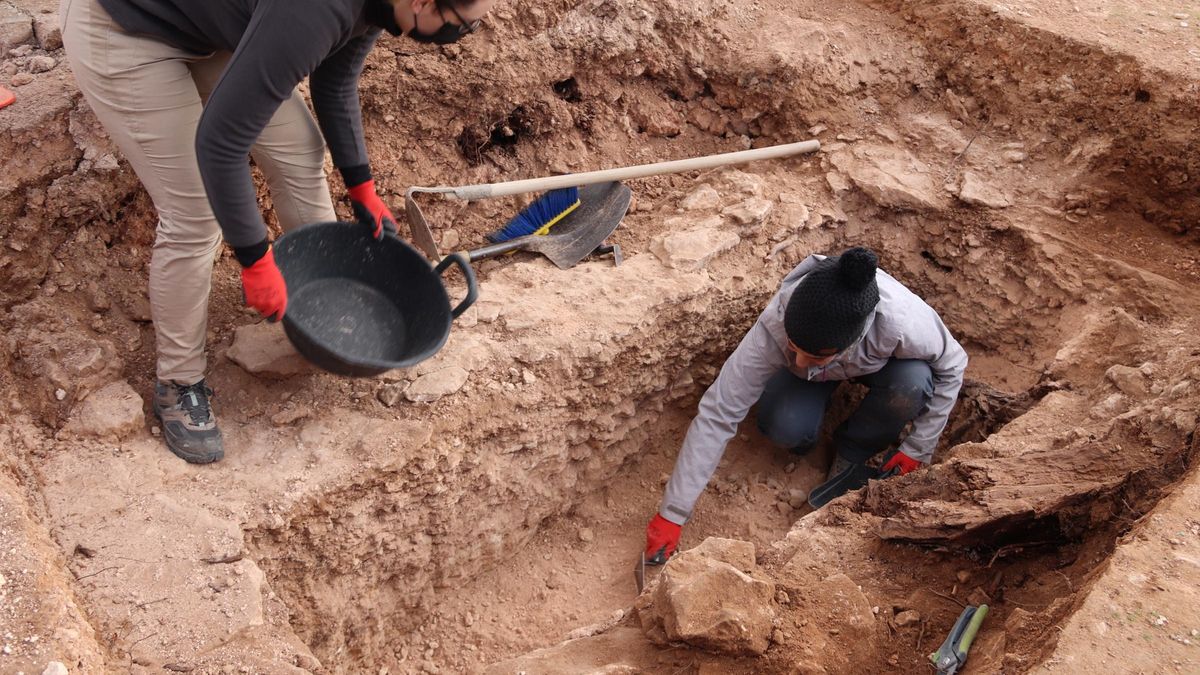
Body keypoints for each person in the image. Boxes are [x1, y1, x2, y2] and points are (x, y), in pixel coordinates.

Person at [59, 0, 497, 463]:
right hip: (124, 29)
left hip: (203, 27)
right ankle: (178, 383)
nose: (461, 35)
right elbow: (220, 143)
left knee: (300, 150)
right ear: (423, 3)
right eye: (459, 25)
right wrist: (254, 258)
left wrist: (361, 185)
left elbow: (337, 79)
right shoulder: (315, 9)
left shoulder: (386, 5)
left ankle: (320, 298)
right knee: (196, 213)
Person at [643, 247, 968, 564]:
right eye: (793, 347)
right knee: (786, 426)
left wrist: (918, 448)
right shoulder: (775, 324)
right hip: (811, 381)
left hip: (883, 370)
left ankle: (852, 452)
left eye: (813, 355)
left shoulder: (904, 322)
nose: (798, 359)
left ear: (851, 342)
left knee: (912, 382)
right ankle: (809, 431)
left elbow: (953, 363)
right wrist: (673, 513)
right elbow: (719, 412)